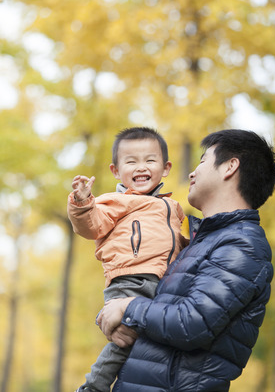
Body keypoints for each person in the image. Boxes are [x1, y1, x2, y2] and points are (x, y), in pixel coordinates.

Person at [98, 129, 275, 392]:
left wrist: (128, 307)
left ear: (230, 166)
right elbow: (147, 299)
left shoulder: (242, 245)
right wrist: (111, 315)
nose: (192, 173)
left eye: (203, 161)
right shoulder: (199, 243)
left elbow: (191, 324)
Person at [67, 127, 187, 392]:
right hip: (129, 280)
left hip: (162, 283)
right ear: (116, 171)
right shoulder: (115, 201)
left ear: (165, 167)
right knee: (126, 339)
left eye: (150, 160)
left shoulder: (173, 208)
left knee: (153, 340)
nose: (140, 167)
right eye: (131, 161)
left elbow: (175, 244)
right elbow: (91, 226)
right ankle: (93, 386)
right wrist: (83, 202)